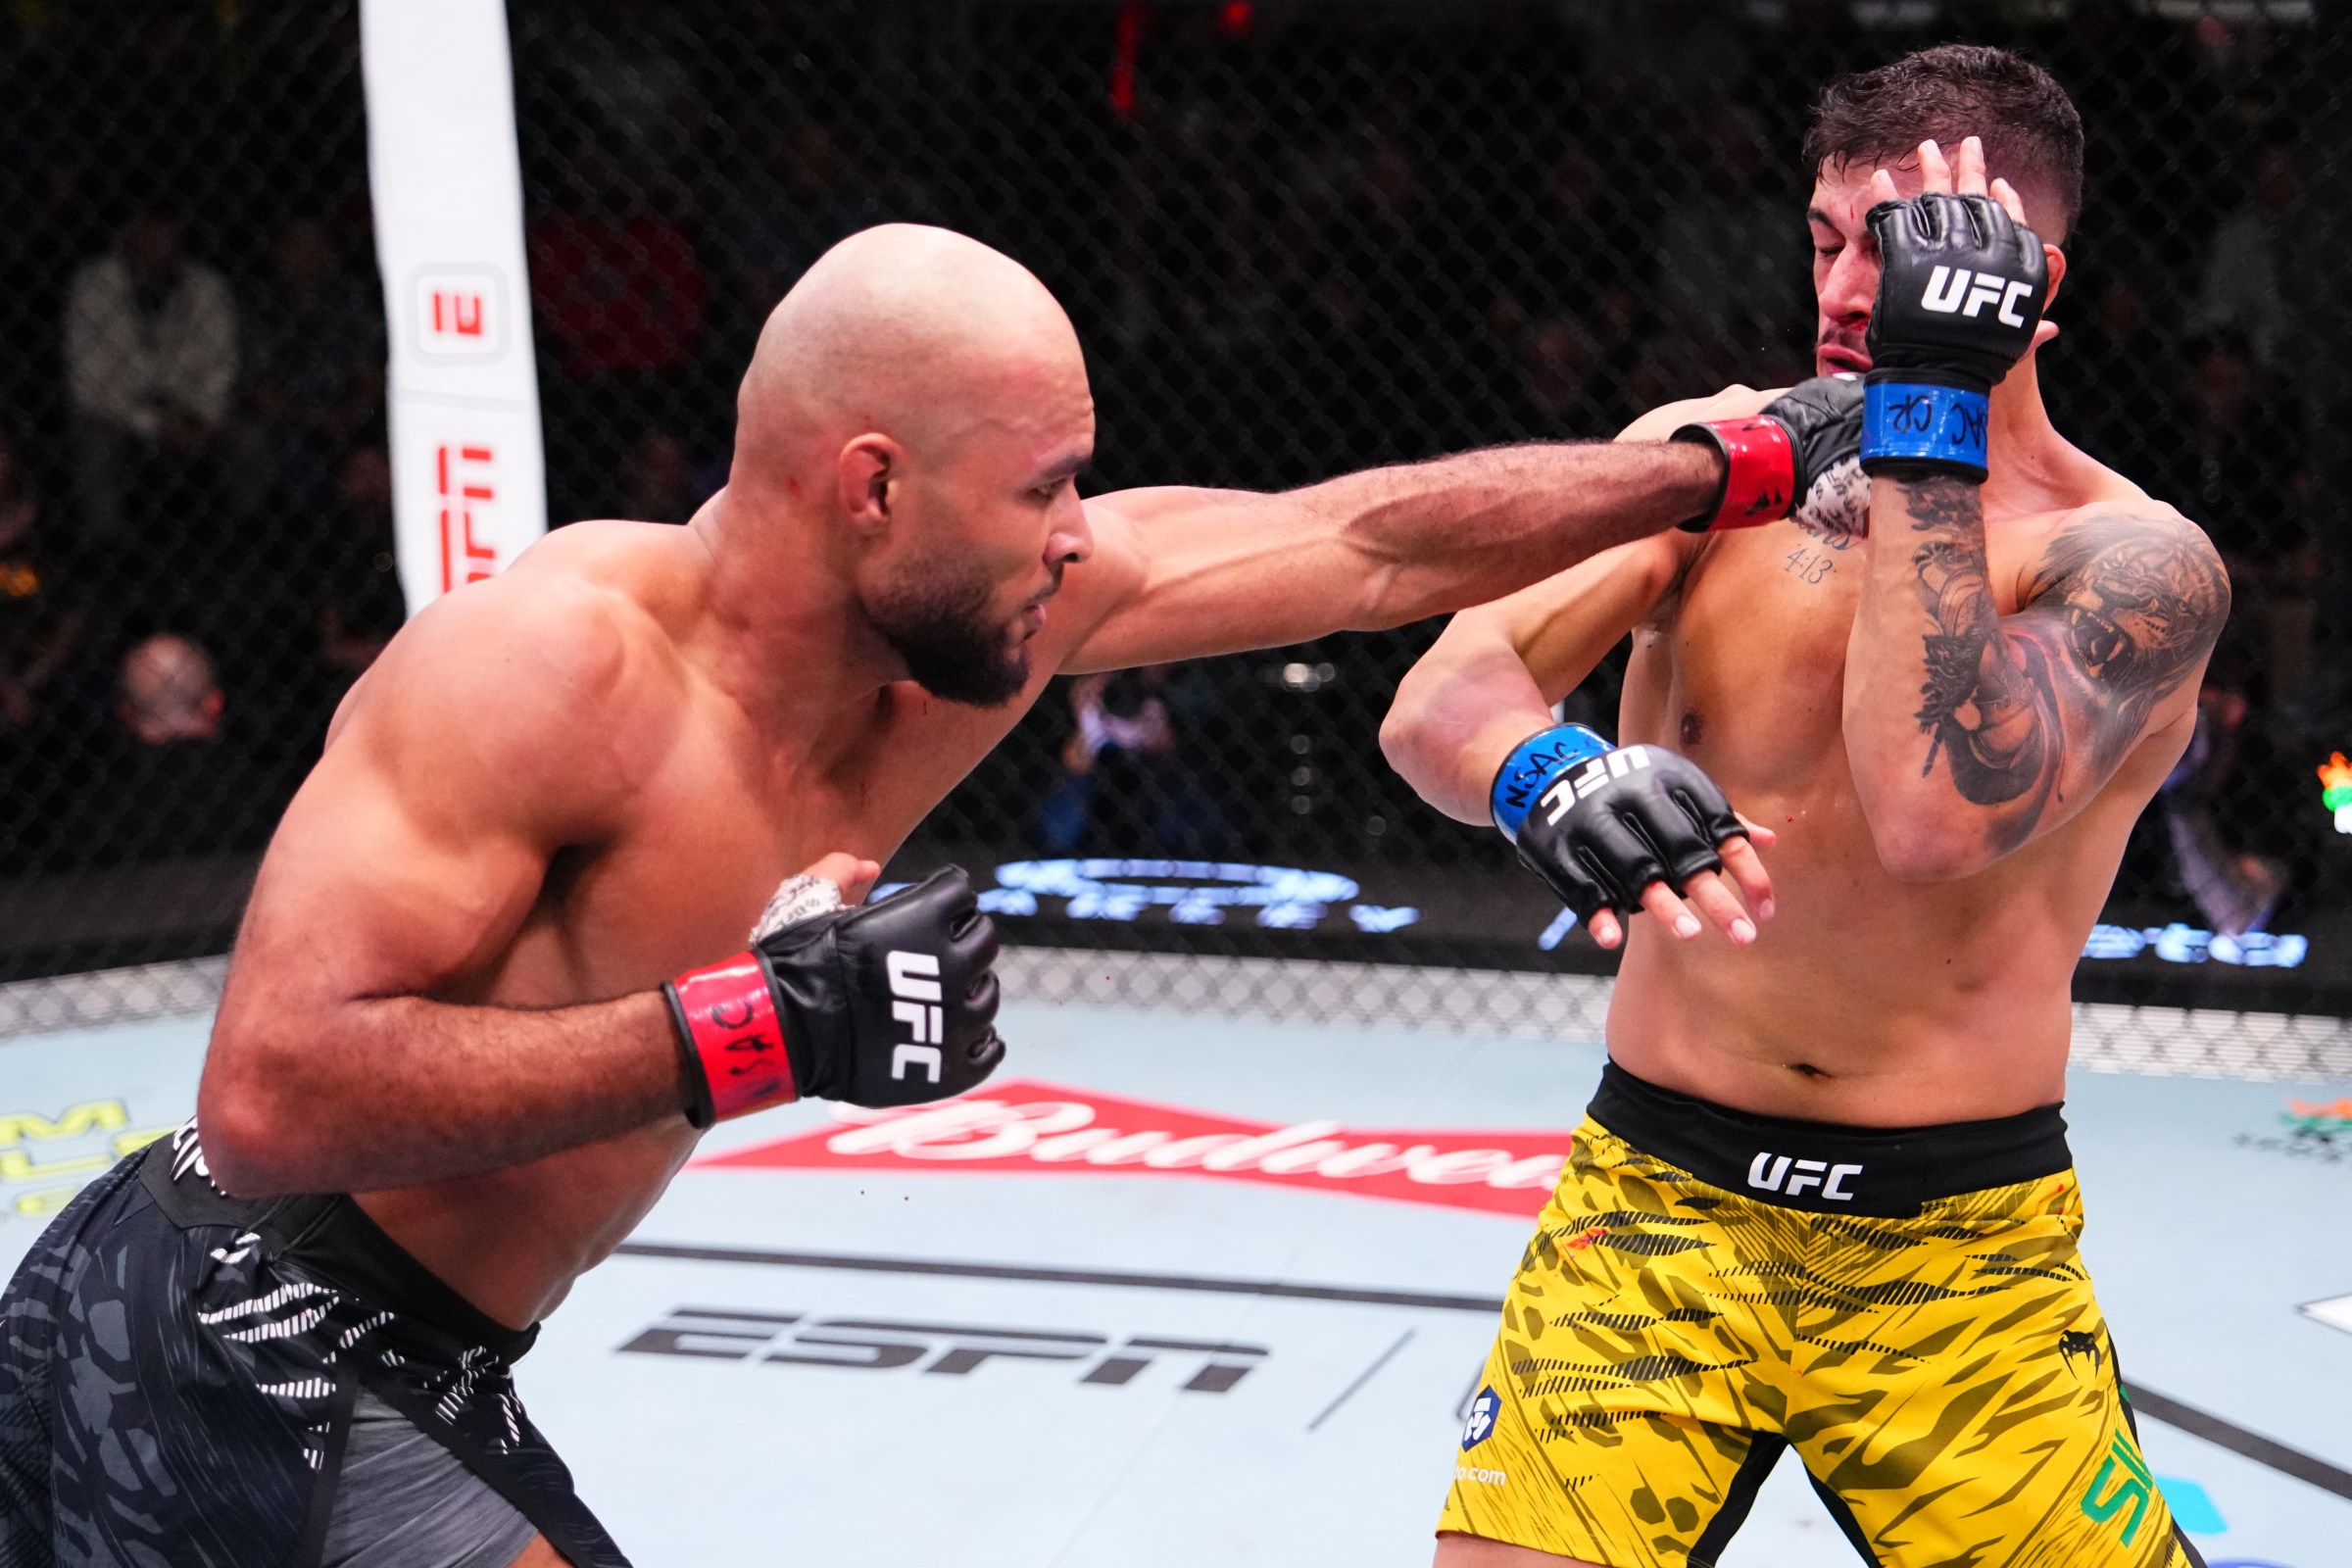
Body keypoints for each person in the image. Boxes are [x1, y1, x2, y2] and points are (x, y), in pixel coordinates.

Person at [0, 222, 1771, 1568]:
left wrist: (1720, 468)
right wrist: (750, 1031)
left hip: (426, 1351)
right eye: (1044, 485)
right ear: (873, 489)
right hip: (241, 1317)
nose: (1078, 531)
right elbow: (271, 1094)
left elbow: (1365, 543)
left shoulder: (981, 634)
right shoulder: (552, 666)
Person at [1382, 48, 2226, 1567]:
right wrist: (1546, 772)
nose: (1841, 292)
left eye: (1894, 251)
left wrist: (1926, 429)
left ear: (2026, 283)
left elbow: (1932, 815)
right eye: (1825, 239)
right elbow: (1444, 695)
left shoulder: (2135, 562)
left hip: (1957, 1254)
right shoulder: (1723, 458)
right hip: (1656, 1207)